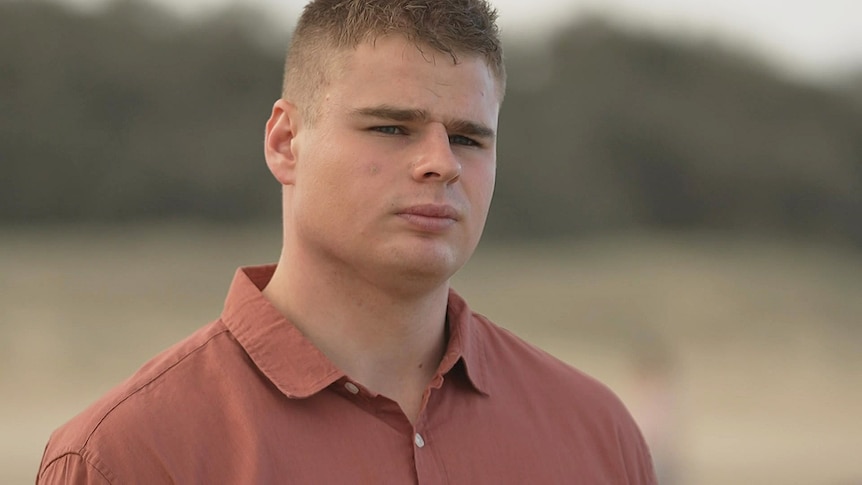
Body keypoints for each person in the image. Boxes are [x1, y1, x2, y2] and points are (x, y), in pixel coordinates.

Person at [37, 0, 657, 483]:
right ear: (285, 142)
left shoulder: (597, 433)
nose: (441, 163)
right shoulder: (123, 459)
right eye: (391, 127)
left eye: (469, 138)